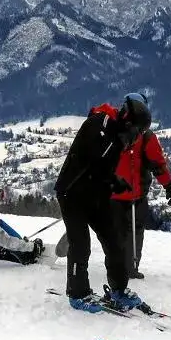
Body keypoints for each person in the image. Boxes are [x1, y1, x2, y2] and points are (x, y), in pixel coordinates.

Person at [53, 92, 152, 312]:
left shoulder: (117, 134)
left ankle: (119, 290)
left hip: (95, 194)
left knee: (115, 241)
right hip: (73, 194)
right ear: (128, 121)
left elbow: (103, 168)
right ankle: (78, 294)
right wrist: (112, 181)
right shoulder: (100, 126)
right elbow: (93, 163)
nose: (136, 137)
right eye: (137, 131)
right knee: (80, 245)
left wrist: (115, 181)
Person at [111, 127, 171, 278]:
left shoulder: (113, 127)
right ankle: (130, 267)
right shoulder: (146, 136)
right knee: (134, 230)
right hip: (135, 194)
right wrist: (168, 185)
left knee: (113, 230)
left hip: (112, 191)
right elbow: (157, 164)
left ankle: (115, 265)